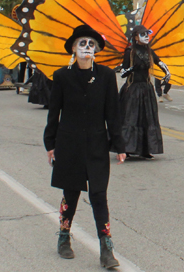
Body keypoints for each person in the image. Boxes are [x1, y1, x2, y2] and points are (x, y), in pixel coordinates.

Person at [43, 24, 126, 268]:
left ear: (97, 49)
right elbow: (54, 112)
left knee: (99, 195)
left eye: (91, 44)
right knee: (71, 193)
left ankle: (106, 248)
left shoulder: (107, 76)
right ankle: (64, 237)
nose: (87, 48)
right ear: (73, 48)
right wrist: (51, 144)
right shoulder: (62, 76)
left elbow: (113, 113)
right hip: (69, 144)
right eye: (82, 43)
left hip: (96, 144)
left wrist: (119, 144)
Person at [119, 25, 170, 159]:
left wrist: (167, 72)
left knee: (147, 118)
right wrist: (131, 69)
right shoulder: (129, 52)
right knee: (132, 118)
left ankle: (146, 149)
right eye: (143, 34)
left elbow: (160, 62)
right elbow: (123, 73)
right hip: (133, 89)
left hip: (146, 89)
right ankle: (128, 148)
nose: (146, 36)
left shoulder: (149, 51)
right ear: (136, 37)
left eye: (147, 34)